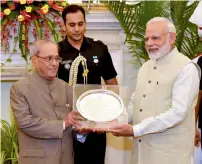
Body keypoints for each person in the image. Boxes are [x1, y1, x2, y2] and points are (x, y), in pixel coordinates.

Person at [109, 17, 200, 164]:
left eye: (155, 38)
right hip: (141, 155)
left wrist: (135, 130)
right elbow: (135, 102)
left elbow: (177, 113)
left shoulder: (187, 68)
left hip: (170, 157)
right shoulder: (146, 67)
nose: (149, 43)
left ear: (172, 38)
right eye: (146, 39)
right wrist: (116, 121)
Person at [57, 4, 118, 164]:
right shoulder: (56, 52)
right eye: (71, 25)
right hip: (68, 121)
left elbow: (112, 84)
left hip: (95, 121)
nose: (77, 29)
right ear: (63, 26)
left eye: (80, 24)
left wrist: (110, 115)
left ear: (85, 23)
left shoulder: (99, 48)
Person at [10, 40, 83, 164]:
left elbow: (73, 123)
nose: (55, 63)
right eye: (49, 58)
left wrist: (81, 131)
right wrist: (63, 123)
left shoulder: (66, 88)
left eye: (56, 58)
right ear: (34, 60)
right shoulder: (20, 88)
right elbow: (25, 123)